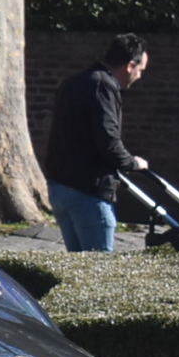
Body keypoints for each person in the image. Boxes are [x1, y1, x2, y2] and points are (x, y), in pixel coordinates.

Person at [44, 33, 149, 252]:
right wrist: (131, 163)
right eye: (140, 70)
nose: (139, 76)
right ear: (130, 66)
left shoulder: (73, 82)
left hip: (60, 186)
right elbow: (107, 138)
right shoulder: (103, 86)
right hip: (88, 190)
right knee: (98, 266)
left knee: (79, 265)